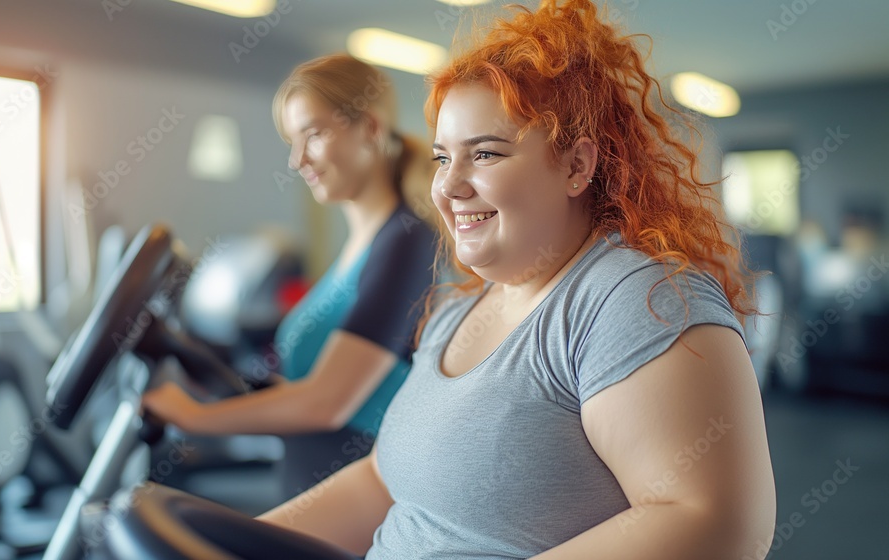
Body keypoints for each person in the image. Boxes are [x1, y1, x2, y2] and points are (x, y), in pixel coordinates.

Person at [258, 1, 777, 558]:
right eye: (441, 158)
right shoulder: (461, 308)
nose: (448, 187)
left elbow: (716, 523)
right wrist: (230, 542)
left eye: (484, 154)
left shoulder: (636, 300)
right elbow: (380, 483)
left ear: (577, 166)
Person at [142, 54, 438, 500]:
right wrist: (196, 363)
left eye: (313, 134)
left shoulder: (406, 239)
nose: (296, 160)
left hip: (358, 509)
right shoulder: (362, 244)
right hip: (308, 488)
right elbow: (306, 385)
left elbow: (329, 402)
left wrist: (192, 416)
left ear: (371, 129)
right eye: (291, 141)